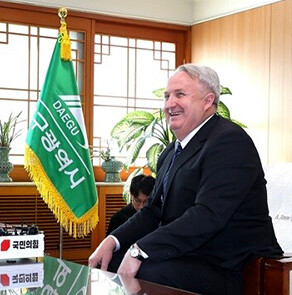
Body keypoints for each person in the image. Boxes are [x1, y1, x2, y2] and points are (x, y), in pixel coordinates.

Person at [89, 64, 283, 294]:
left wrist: (139, 250)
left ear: (208, 101)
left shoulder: (229, 141)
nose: (170, 104)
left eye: (180, 94)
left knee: (142, 270)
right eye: (167, 96)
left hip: (232, 266)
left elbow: (207, 215)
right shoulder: (172, 151)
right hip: (190, 256)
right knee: (110, 261)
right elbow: (153, 211)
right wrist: (112, 240)